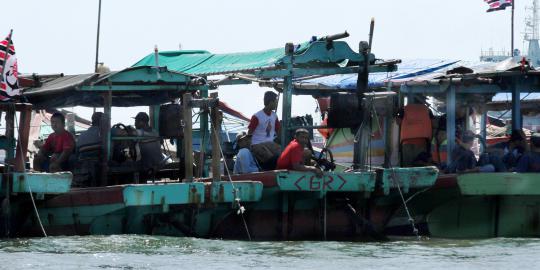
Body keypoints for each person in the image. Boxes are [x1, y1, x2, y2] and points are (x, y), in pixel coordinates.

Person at [248, 91, 281, 170]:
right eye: (276, 102)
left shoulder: (274, 116)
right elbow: (249, 133)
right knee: (270, 158)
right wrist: (249, 148)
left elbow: (279, 132)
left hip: (269, 143)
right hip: (256, 144)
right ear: (270, 102)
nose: (277, 104)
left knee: (283, 154)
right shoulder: (257, 116)